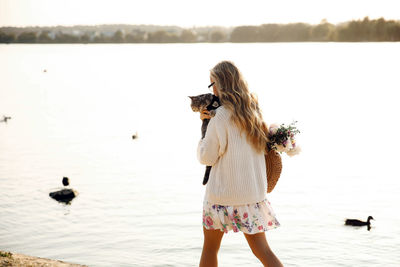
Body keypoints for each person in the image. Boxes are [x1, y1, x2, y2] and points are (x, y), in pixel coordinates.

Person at [197, 61, 284, 267]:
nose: (213, 91)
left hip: (221, 196)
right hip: (251, 196)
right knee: (263, 251)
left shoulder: (220, 117)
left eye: (212, 85)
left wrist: (205, 125)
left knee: (210, 248)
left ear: (220, 84)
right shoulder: (254, 114)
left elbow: (206, 158)